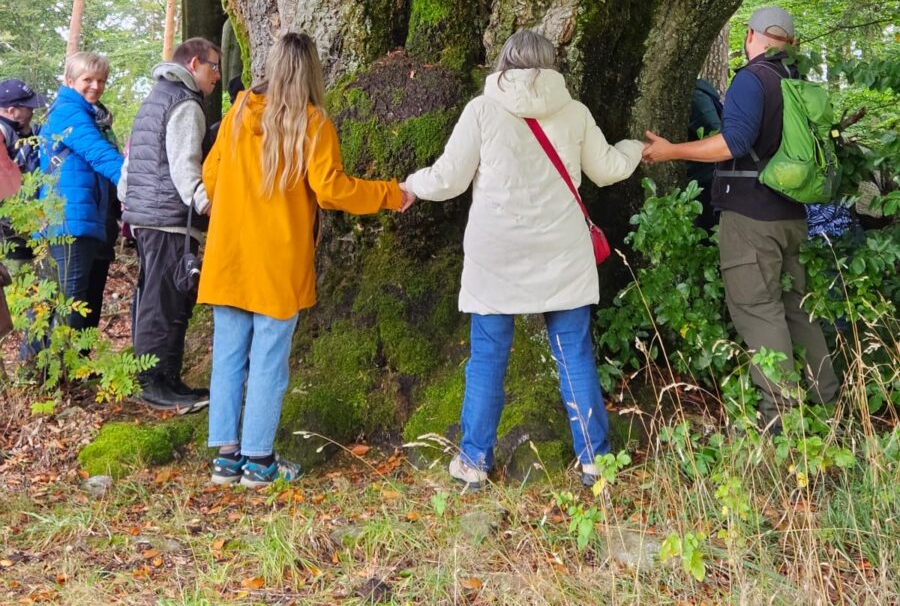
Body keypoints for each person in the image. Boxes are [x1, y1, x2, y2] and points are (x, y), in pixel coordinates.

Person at [401, 28, 644, 490]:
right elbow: (608, 169)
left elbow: (449, 179)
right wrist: (637, 148)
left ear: (505, 63)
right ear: (551, 64)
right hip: (563, 253)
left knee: (488, 357)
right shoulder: (573, 113)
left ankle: (474, 461)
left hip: (498, 256)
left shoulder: (483, 110)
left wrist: (412, 185)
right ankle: (595, 458)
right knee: (573, 353)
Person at [198, 31, 411, 487]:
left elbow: (210, 175)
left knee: (230, 357)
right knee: (269, 361)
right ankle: (259, 463)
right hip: (278, 259)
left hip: (229, 254)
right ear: (313, 70)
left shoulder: (238, 113)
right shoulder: (312, 123)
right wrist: (392, 193)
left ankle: (226, 459)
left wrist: (237, 206)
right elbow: (333, 191)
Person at [642, 6, 839, 429]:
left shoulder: (752, 79)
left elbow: (733, 143)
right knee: (797, 312)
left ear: (751, 36)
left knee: (758, 311)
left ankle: (781, 423)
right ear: (790, 41)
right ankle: (829, 407)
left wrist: (670, 150)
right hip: (792, 215)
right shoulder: (794, 80)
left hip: (751, 218)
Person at [120, 38, 221, 412]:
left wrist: (128, 201)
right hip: (169, 219)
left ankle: (168, 379)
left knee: (160, 297)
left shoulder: (155, 98)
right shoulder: (184, 103)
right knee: (166, 302)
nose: (217, 75)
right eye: (213, 67)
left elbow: (129, 167)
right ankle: (153, 383)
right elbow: (184, 164)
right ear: (194, 64)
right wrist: (205, 202)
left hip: (147, 215)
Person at [39, 53, 124, 340]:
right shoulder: (66, 112)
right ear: (70, 81)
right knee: (70, 300)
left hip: (92, 219)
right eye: (88, 79)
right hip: (68, 220)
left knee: (87, 301)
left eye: (101, 80)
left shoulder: (95, 116)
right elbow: (99, 154)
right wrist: (137, 185)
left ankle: (79, 370)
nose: (95, 86)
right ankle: (55, 374)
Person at [0, 79, 46, 277]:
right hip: (9, 228)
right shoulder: (3, 132)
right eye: (28, 107)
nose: (33, 111)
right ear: (12, 110)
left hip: (24, 224)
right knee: (17, 282)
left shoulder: (22, 132)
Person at [686, 77, 724, 231]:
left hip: (706, 179)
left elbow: (715, 132)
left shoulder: (695, 96)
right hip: (703, 177)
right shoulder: (697, 94)